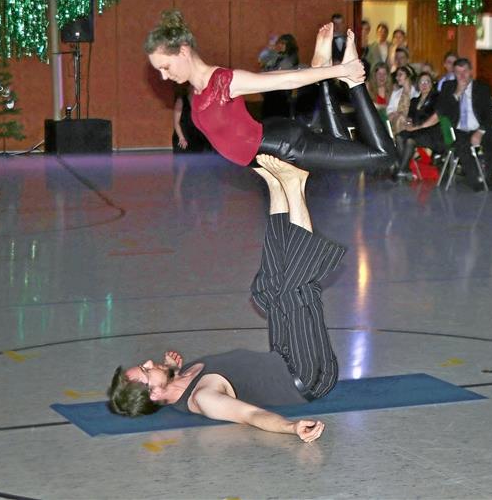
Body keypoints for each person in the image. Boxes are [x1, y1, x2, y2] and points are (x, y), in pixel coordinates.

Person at [108, 155, 343, 443]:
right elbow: (250, 415)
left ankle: (275, 186)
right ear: (155, 394)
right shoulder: (203, 398)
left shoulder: (179, 377)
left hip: (282, 356)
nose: (147, 361)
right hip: (308, 375)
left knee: (267, 290)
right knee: (292, 289)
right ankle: (295, 185)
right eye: (146, 371)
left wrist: (172, 369)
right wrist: (291, 427)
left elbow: (176, 383)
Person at [145, 11, 397, 171]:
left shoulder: (221, 82)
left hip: (283, 145)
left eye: (165, 67)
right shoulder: (198, 89)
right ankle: (325, 69)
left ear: (183, 51)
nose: (164, 76)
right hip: (270, 143)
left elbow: (286, 81)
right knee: (339, 144)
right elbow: (265, 78)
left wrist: (342, 70)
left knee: (383, 156)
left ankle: (352, 80)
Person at [426, 58, 492, 191]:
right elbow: (442, 111)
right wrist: (457, 94)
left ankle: (488, 178)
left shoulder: (482, 88)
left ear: (471, 71)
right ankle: (476, 181)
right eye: (458, 72)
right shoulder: (448, 87)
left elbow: (489, 114)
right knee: (464, 147)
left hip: (478, 127)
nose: (462, 76)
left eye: (465, 71)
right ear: (454, 73)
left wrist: (480, 131)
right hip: (458, 130)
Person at [394, 72, 445, 181]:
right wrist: (408, 123)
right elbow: (410, 118)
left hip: (431, 131)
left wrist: (416, 127)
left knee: (410, 140)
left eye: (427, 82)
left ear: (432, 84)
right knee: (399, 137)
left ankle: (401, 170)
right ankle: (405, 169)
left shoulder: (437, 98)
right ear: (418, 85)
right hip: (416, 131)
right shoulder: (414, 101)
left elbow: (436, 118)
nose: (424, 84)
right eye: (421, 82)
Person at [261, 33, 300, 119]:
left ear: (288, 45)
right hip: (275, 89)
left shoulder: (291, 58)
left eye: (283, 43)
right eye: (280, 43)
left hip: (282, 91)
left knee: (277, 115)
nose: (280, 45)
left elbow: (281, 71)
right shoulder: (280, 56)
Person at [172, 84, 211, 153]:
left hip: (197, 137)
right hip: (183, 136)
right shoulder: (181, 100)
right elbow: (176, 123)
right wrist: (181, 138)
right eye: (193, 87)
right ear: (188, 88)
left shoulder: (202, 102)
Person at [386, 65, 418, 136]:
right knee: (400, 118)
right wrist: (393, 113)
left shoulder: (416, 94)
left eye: (400, 75)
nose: (397, 78)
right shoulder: (395, 93)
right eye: (397, 75)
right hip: (395, 119)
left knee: (403, 119)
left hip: (409, 122)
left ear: (408, 76)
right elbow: (389, 109)